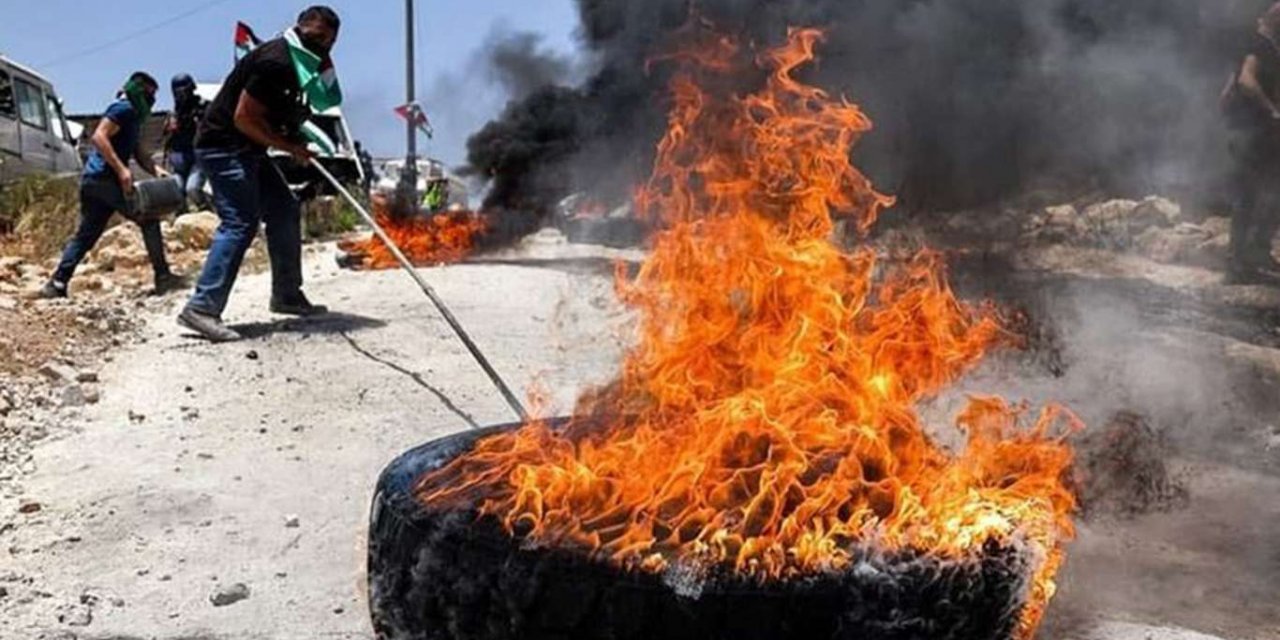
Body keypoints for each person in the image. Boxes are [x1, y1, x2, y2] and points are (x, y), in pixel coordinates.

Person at [178, 6, 341, 342]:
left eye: (329, 42)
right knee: (240, 221)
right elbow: (244, 118)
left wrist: (293, 139)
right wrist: (290, 148)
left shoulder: (296, 65)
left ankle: (286, 295)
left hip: (248, 148)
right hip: (223, 145)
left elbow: (270, 115)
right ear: (302, 28)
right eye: (319, 39)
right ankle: (202, 308)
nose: (324, 48)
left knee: (284, 209)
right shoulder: (276, 61)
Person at [39, 72, 182, 299]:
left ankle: (57, 283)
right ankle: (163, 277)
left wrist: (156, 171)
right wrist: (122, 170)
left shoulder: (132, 117)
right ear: (139, 89)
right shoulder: (123, 108)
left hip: (94, 181)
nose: (152, 100)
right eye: (150, 94)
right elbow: (99, 136)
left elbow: (138, 152)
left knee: (86, 235)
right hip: (105, 180)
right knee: (148, 217)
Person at [1224, 3, 1280, 284]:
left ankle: (1244, 258)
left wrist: (1232, 122)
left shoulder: (1252, 44)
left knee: (1250, 195)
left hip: (1245, 131)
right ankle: (1247, 256)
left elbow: (1225, 92)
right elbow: (1246, 81)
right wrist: (1272, 111)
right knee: (1259, 193)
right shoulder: (1263, 45)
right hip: (1255, 132)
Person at [164, 74, 210, 212]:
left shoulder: (203, 107)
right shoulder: (174, 113)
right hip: (179, 157)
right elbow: (168, 136)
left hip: (198, 156)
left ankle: (208, 213)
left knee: (193, 189)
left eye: (183, 90)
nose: (181, 94)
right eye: (177, 91)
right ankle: (182, 220)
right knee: (177, 191)